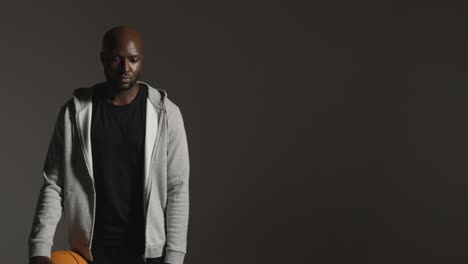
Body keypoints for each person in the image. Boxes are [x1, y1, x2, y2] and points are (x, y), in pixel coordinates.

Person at [28, 25, 190, 264]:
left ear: (141, 60)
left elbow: (177, 189)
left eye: (133, 60)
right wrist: (39, 248)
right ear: (103, 59)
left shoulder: (167, 114)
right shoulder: (75, 113)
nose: (126, 68)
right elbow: (54, 183)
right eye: (117, 59)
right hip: (91, 253)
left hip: (148, 254)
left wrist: (175, 257)